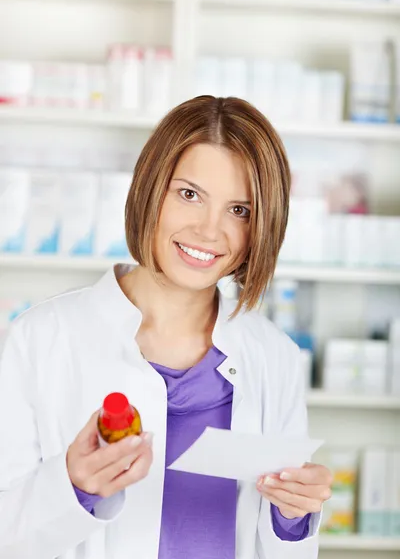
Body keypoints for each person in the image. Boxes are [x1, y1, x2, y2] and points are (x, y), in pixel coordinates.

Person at [0, 96, 332, 559]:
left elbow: (279, 548)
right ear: (150, 188)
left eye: (240, 210)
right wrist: (73, 486)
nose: (209, 231)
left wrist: (292, 518)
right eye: (189, 194)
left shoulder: (273, 355)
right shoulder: (40, 340)